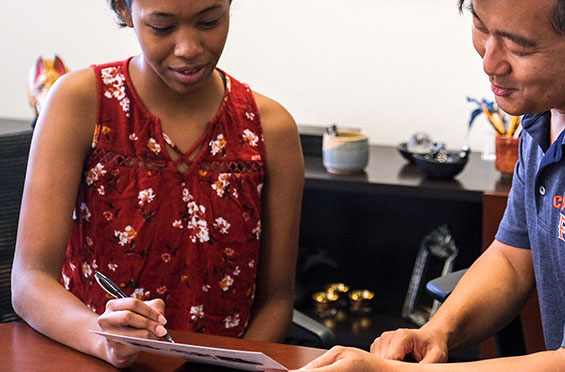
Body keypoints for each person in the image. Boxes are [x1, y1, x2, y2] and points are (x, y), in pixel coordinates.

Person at [11, 0, 304, 368]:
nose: (188, 48)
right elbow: (30, 281)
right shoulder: (80, 102)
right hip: (90, 358)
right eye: (162, 27)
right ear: (123, 10)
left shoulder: (270, 129)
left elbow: (276, 301)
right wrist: (107, 343)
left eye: (209, 21)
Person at [292, 0, 565, 371]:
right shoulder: (540, 122)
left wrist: (391, 370)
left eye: (518, 46)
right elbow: (512, 259)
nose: (489, 62)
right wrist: (437, 332)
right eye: (482, 27)